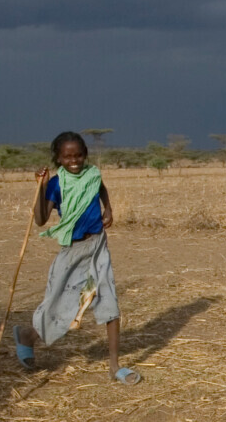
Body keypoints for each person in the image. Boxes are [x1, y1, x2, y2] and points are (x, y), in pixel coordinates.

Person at [14, 131, 142, 384]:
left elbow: (101, 188)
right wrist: (40, 188)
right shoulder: (56, 184)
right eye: (67, 156)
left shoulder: (93, 174)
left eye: (79, 155)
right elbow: (40, 220)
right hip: (72, 252)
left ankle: (114, 366)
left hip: (98, 246)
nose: (74, 160)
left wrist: (108, 208)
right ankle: (28, 336)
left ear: (85, 155)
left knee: (109, 303)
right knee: (60, 305)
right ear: (59, 159)